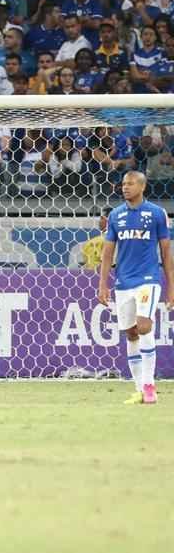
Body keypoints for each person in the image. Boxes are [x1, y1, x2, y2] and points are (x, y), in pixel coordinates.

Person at [97, 171, 174, 406]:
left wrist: (171, 287)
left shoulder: (157, 214)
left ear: (142, 186)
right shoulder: (116, 215)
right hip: (123, 282)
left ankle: (150, 386)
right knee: (130, 333)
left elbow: (166, 252)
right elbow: (108, 253)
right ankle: (139, 389)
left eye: (130, 184)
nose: (125, 187)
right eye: (123, 184)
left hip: (148, 279)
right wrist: (103, 284)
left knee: (144, 326)